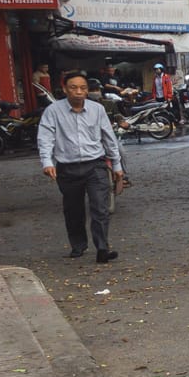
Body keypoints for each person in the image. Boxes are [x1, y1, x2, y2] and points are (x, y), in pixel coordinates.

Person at [38, 71, 126, 262]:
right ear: (64, 89)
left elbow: (109, 138)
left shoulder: (97, 110)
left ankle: (102, 248)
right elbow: (45, 138)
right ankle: (78, 245)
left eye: (83, 88)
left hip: (95, 165)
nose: (78, 92)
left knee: (100, 208)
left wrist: (117, 165)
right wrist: (47, 162)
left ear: (88, 90)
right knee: (73, 209)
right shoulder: (53, 111)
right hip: (67, 168)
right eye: (73, 87)